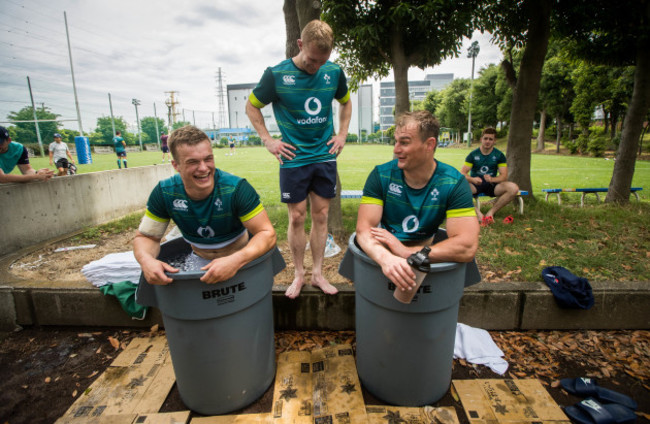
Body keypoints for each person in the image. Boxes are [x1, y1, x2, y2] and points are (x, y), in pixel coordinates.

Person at [245, 19, 352, 299]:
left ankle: (317, 273)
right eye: (311, 59)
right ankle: (299, 274)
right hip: (293, 158)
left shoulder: (333, 72)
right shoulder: (276, 75)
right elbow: (251, 106)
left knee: (321, 215)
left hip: (324, 156)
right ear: (300, 45)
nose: (316, 66)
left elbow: (346, 101)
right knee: (296, 217)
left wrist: (342, 134)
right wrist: (268, 140)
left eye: (322, 60)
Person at [133, 125, 276, 285]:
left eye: (208, 159)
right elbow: (147, 237)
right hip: (199, 259)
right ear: (176, 165)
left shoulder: (235, 189)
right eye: (193, 162)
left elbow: (266, 233)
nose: (203, 168)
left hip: (242, 257)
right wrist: (147, 261)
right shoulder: (165, 193)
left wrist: (236, 260)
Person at [356, 111, 479, 292]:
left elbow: (467, 247)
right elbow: (363, 230)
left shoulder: (453, 182)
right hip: (385, 253)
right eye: (396, 141)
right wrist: (386, 259)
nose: (396, 149)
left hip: (425, 254)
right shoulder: (381, 175)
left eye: (404, 142)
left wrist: (407, 253)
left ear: (429, 144)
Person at [460, 127, 520, 225]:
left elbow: (504, 176)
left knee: (513, 188)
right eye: (485, 138)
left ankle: (490, 213)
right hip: (476, 185)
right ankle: (478, 214)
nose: (487, 141)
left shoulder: (499, 155)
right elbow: (462, 173)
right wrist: (472, 179)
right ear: (481, 139)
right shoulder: (473, 155)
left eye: (490, 139)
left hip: (492, 185)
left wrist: (492, 179)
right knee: (458, 187)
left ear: (494, 141)